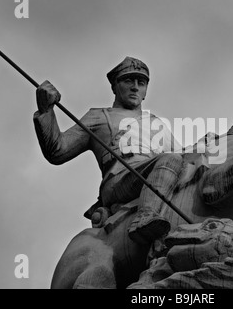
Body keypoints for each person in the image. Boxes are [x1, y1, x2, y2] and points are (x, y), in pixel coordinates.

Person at [33, 56, 184, 244]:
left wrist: (208, 144)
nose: (135, 87)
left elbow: (183, 155)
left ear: (145, 91)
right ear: (114, 86)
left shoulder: (156, 123)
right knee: (169, 160)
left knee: (178, 163)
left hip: (152, 173)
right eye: (128, 80)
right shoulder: (98, 116)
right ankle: (146, 216)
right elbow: (57, 151)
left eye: (141, 82)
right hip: (120, 180)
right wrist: (46, 111)